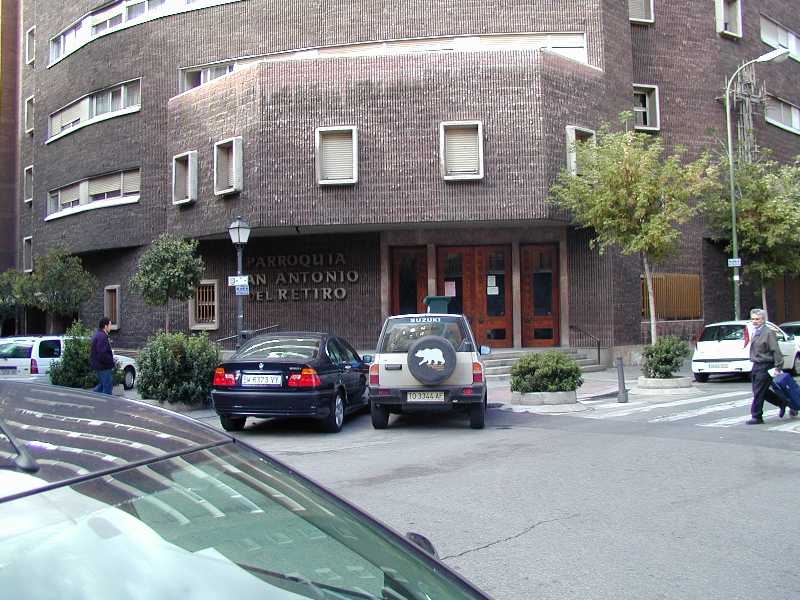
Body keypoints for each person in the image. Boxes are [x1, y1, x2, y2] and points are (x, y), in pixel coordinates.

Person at [746, 308, 786, 424]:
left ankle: (757, 416)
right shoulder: (755, 331)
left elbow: (776, 350)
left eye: (757, 319)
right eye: (753, 319)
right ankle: (782, 402)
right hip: (756, 365)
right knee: (759, 391)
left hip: (765, 365)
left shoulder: (768, 332)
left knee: (759, 391)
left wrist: (778, 367)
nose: (755, 321)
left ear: (763, 320)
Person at [90, 317, 115, 395]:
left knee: (101, 386)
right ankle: (107, 405)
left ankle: (92, 398)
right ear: (105, 326)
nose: (111, 327)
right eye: (110, 325)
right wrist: (111, 361)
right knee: (107, 388)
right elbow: (102, 354)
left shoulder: (99, 335)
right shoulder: (102, 337)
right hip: (104, 367)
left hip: (100, 366)